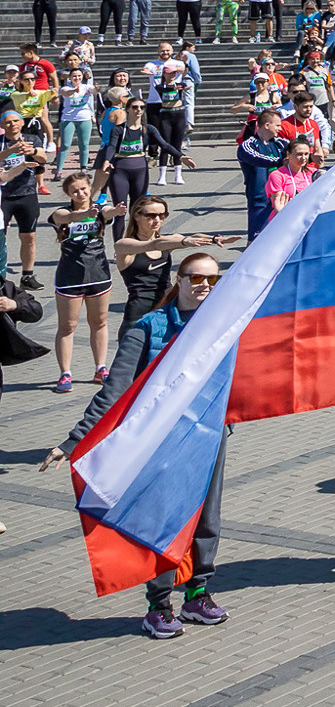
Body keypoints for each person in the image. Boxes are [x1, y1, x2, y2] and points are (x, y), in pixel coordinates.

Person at [42, 248, 233, 638]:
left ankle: (197, 594)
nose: (205, 286)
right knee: (164, 522)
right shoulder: (149, 327)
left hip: (208, 438)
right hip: (159, 444)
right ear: (178, 280)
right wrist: (74, 440)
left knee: (205, 521)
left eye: (213, 280)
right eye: (197, 278)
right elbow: (114, 392)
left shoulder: (225, 326)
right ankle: (159, 605)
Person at [45, 172, 119, 391]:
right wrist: (84, 213)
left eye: (83, 189)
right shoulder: (62, 213)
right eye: (75, 190)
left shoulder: (100, 211)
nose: (80, 193)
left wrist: (115, 211)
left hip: (99, 274)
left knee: (100, 322)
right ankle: (65, 374)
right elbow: (64, 218)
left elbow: (108, 212)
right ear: (68, 193)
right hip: (70, 277)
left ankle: (100, 368)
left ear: (89, 188)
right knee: (68, 326)